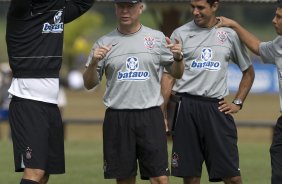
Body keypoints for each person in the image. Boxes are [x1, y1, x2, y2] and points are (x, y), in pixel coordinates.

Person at [83, 0, 184, 184]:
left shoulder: (156, 38)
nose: (125, 11)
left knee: (160, 178)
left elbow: (177, 73)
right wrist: (93, 63)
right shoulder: (104, 42)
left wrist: (178, 58)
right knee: (125, 180)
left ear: (140, 8)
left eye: (130, 6)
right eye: (121, 6)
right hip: (118, 117)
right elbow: (89, 84)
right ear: (115, 8)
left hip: (150, 116)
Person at [161, 0, 255, 183]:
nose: (195, 12)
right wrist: (161, 113)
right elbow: (168, 76)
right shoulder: (180, 33)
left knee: (233, 177)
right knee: (191, 178)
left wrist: (237, 102)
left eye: (201, 7)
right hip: (185, 107)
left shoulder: (229, 34)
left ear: (214, 6)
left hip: (216, 108)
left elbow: (248, 72)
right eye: (192, 7)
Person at [5, 0, 94, 183]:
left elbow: (83, 3)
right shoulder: (21, 10)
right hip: (27, 100)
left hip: (50, 103)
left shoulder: (57, 11)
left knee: (44, 174)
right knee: (35, 171)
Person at [216, 1, 282, 183]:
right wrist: (235, 25)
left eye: (279, 17)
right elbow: (258, 47)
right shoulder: (279, 45)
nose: (273, 20)